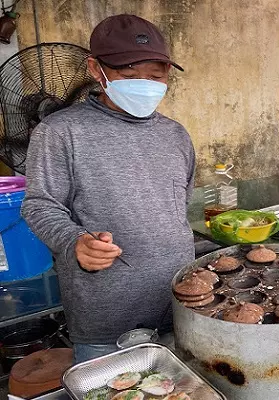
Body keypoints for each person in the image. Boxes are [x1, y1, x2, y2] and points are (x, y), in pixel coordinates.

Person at [21, 14, 195, 363]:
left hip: (180, 304)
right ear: (95, 70)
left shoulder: (176, 135)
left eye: (156, 76)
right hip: (105, 318)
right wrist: (75, 242)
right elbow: (39, 205)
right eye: (129, 76)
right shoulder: (61, 132)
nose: (145, 84)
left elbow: (179, 207)